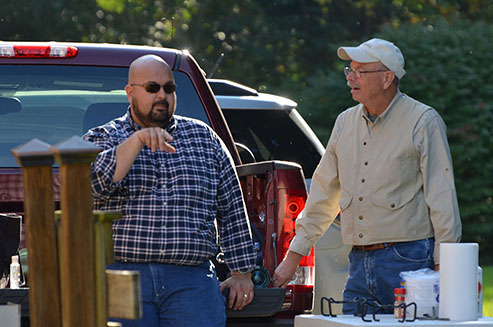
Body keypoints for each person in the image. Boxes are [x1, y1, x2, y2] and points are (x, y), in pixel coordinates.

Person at [272, 38, 462, 314]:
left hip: (410, 261)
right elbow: (323, 194)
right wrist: (294, 256)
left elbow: (442, 198)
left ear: (387, 78)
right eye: (349, 71)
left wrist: (444, 267)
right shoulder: (344, 122)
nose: (351, 78)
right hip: (358, 263)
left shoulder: (424, 121)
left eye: (360, 71)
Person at [83, 54, 255, 327]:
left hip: (192, 280)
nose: (162, 95)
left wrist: (241, 272)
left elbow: (232, 207)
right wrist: (136, 141)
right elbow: (90, 186)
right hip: (120, 274)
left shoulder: (204, 138)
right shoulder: (103, 137)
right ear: (130, 92)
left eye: (169, 88)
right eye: (152, 88)